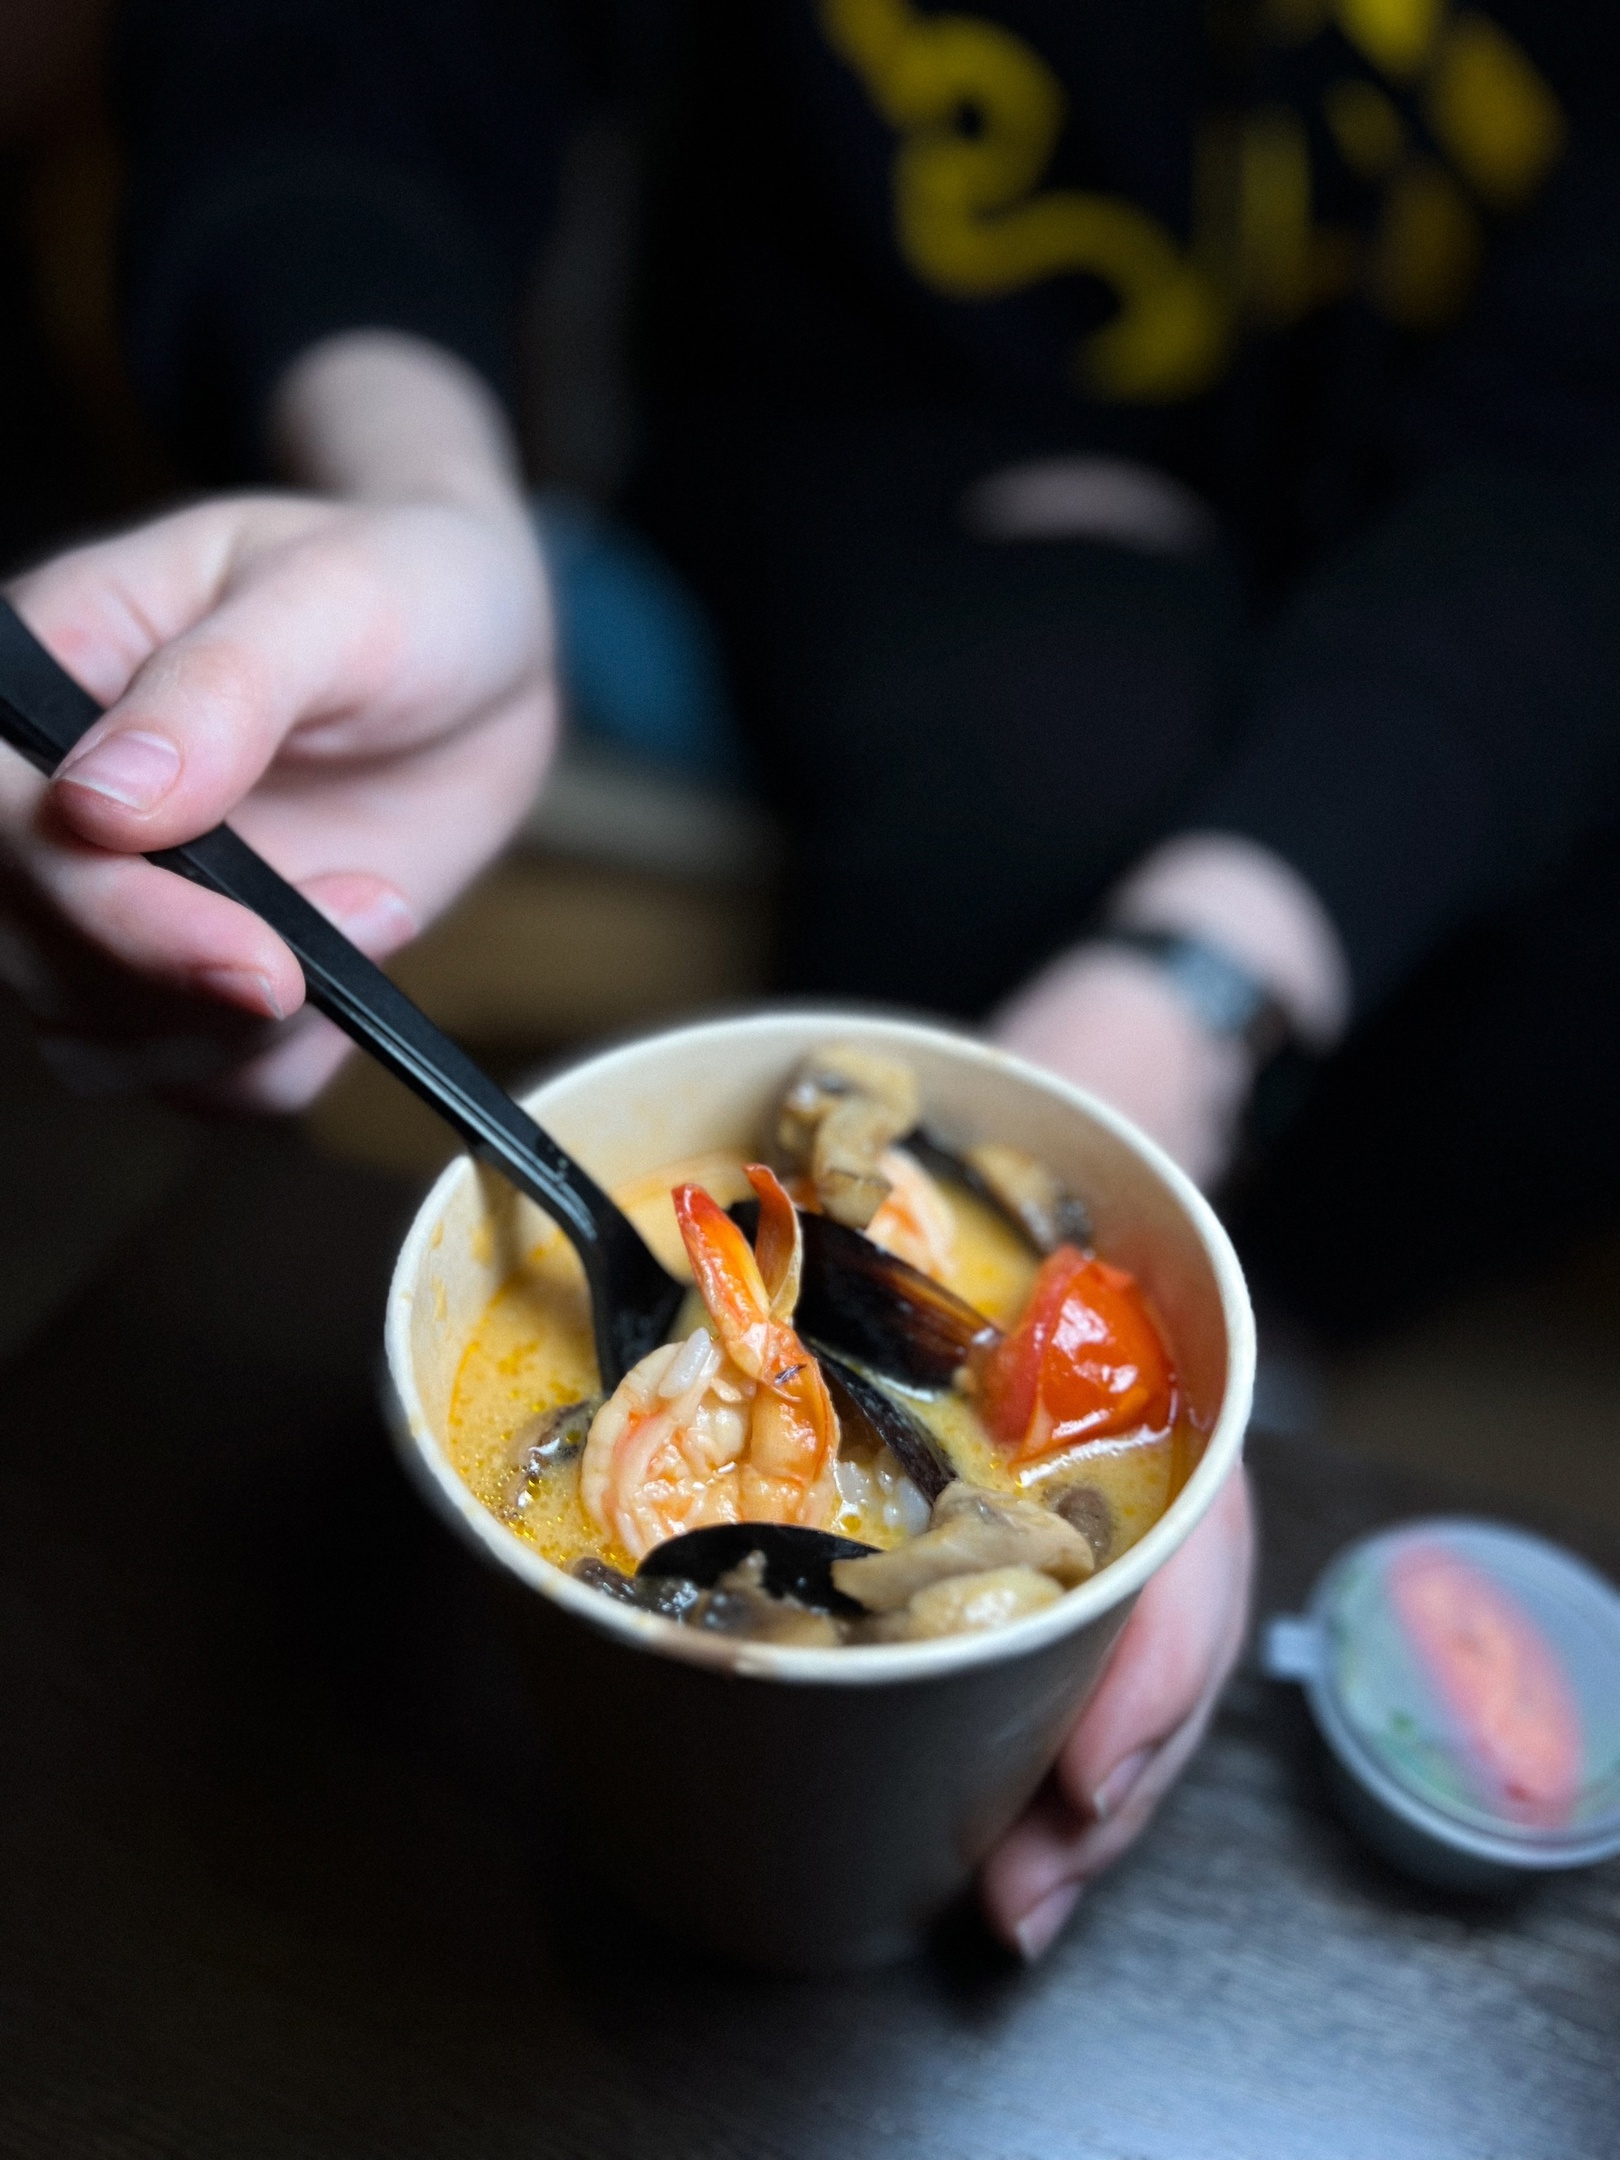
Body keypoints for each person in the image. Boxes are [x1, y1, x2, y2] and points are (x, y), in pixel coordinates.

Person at [1, 0, 1616, 1959]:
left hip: (1427, 525)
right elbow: (345, 51)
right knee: (1049, 731)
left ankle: (1272, 1339)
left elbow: (1576, 454)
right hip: (853, 458)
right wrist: (422, 486)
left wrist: (1192, 987)